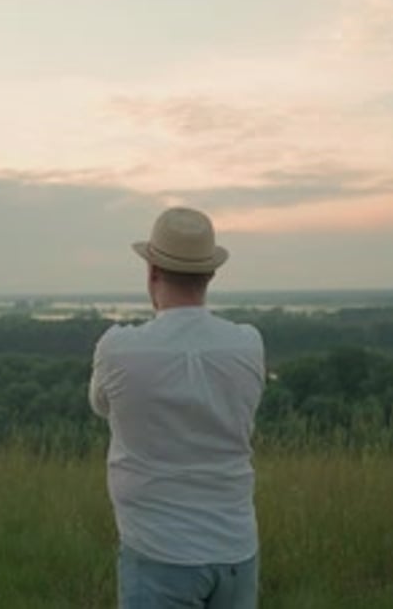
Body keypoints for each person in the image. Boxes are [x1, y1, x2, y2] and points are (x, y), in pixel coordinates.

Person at [89, 206, 265, 609]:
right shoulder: (248, 343)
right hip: (236, 548)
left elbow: (101, 406)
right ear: (211, 274)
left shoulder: (118, 349)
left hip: (157, 551)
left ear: (152, 271)